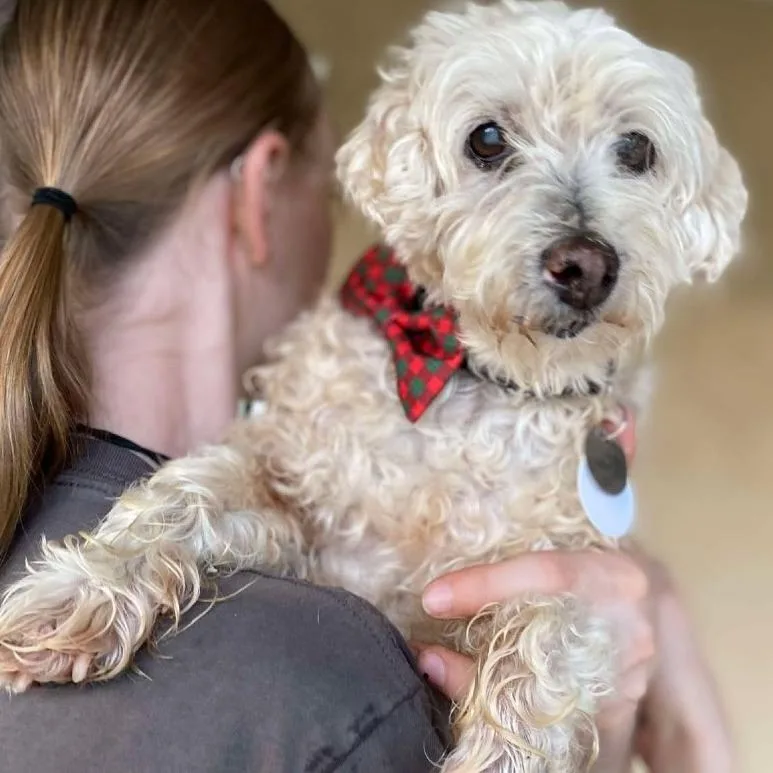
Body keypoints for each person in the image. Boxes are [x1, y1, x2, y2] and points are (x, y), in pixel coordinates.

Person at [0, 1, 731, 771]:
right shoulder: (338, 382)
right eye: (489, 144)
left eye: (632, 152)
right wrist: (142, 546)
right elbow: (270, 493)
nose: (577, 239)